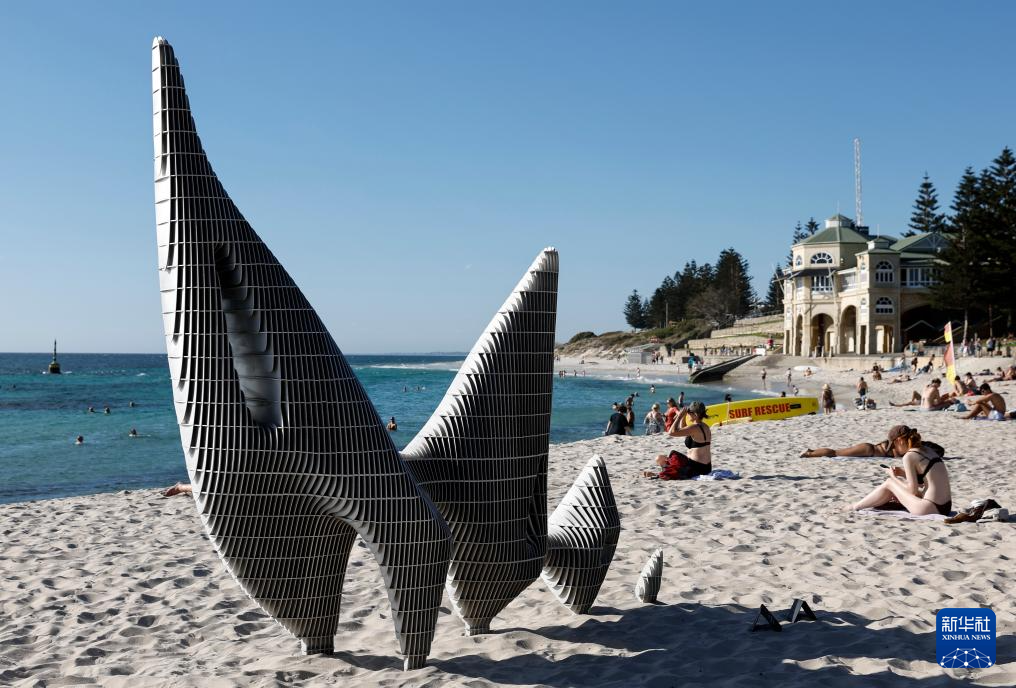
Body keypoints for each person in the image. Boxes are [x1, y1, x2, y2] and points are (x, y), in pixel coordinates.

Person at [846, 425, 952, 515]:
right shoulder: (927, 450)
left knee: (889, 483)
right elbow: (925, 480)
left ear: (899, 441)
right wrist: (902, 473)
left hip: (929, 507)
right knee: (897, 484)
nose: (894, 449)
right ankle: (861, 504)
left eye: (894, 446)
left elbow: (912, 491)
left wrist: (893, 477)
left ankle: (855, 506)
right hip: (946, 507)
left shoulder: (909, 456)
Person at [643, 401, 712, 480]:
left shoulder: (695, 427)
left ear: (695, 414)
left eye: (689, 413)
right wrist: (683, 416)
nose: (688, 414)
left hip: (695, 468)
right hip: (706, 468)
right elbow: (683, 429)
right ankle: (664, 472)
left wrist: (679, 417)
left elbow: (671, 432)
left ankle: (661, 474)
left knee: (666, 458)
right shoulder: (705, 427)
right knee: (660, 458)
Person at [890, 379, 955, 410]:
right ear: (937, 383)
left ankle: (896, 405)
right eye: (939, 384)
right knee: (949, 402)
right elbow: (938, 402)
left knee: (910, 402)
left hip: (922, 407)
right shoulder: (935, 389)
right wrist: (946, 400)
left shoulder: (926, 387)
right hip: (929, 408)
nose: (939, 386)